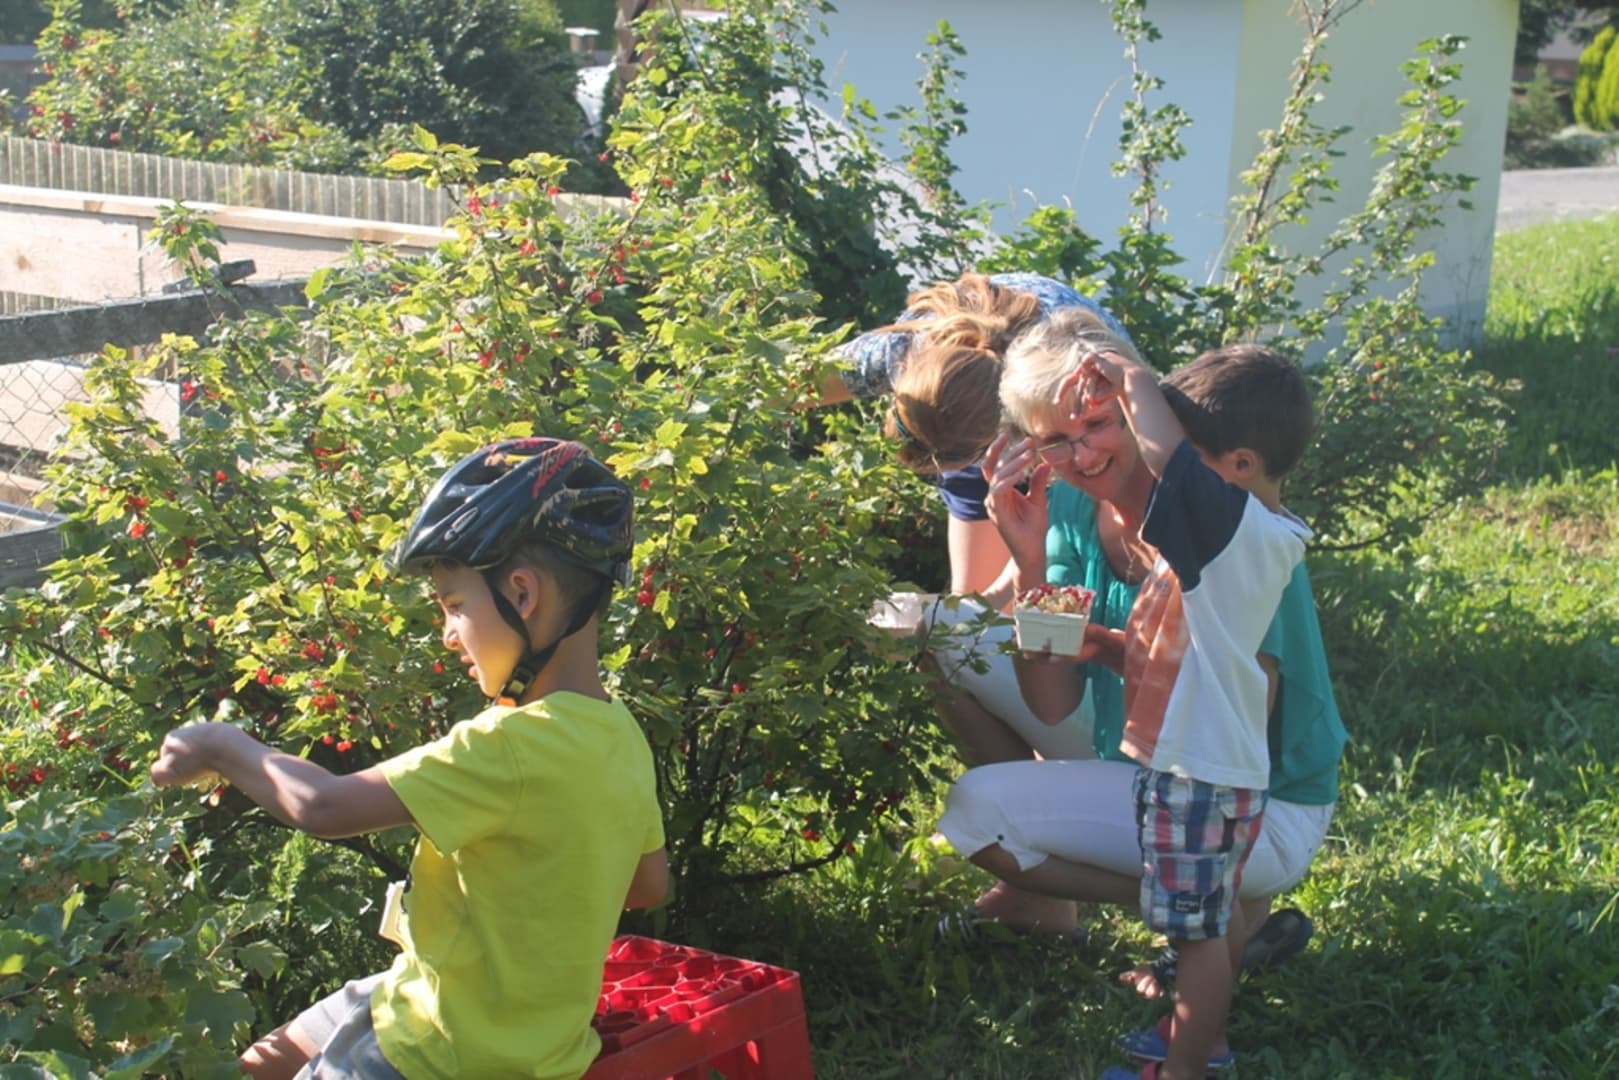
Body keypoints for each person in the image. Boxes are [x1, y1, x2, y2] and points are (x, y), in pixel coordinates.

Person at [151, 437, 669, 1080]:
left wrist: (222, 745)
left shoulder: (508, 748)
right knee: (264, 1062)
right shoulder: (620, 735)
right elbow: (648, 886)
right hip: (482, 1017)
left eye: (454, 606)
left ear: (521, 594)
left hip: (435, 1053)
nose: (449, 634)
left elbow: (323, 806)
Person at [931, 321, 1343, 1069]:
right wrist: (1031, 567)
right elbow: (1052, 701)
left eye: (1094, 425)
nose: (1080, 455)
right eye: (1053, 440)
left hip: (1248, 792)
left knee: (1191, 919)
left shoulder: (1218, 520)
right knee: (947, 672)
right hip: (1152, 752)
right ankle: (1207, 915)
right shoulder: (1067, 506)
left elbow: (1243, 715)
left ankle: (1212, 926)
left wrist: (1119, 656)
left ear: (1136, 411)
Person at [826, 271, 1131, 597]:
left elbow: (1090, 453)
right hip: (983, 402)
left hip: (1078, 397)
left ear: (992, 441)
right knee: (971, 602)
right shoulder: (898, 352)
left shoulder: (1058, 377)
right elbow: (798, 379)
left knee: (1069, 577)